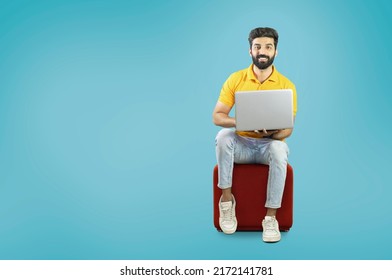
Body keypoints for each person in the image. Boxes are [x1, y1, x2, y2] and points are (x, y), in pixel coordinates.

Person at [212, 27, 297, 242]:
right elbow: (218, 116)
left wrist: (273, 132)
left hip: (268, 146)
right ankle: (227, 201)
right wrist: (242, 122)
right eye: (257, 46)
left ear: (275, 52)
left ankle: (270, 218)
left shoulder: (287, 85)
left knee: (280, 149)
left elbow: (288, 129)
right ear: (250, 50)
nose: (263, 51)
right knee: (223, 136)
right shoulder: (236, 79)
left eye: (268, 47)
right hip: (242, 144)